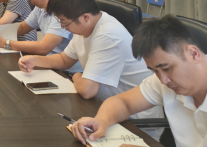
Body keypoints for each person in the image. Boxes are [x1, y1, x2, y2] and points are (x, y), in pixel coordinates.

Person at [18, 0, 161, 120]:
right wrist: (35, 60)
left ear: (85, 17)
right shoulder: (85, 27)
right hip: (105, 107)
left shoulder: (106, 35)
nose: (62, 26)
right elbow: (64, 60)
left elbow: (87, 91)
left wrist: (77, 76)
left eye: (64, 22)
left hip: (134, 118)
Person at [71, 15, 206, 147]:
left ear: (193, 54)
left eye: (167, 68)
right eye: (155, 71)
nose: (163, 80)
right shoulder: (165, 80)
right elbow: (123, 102)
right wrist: (101, 120)